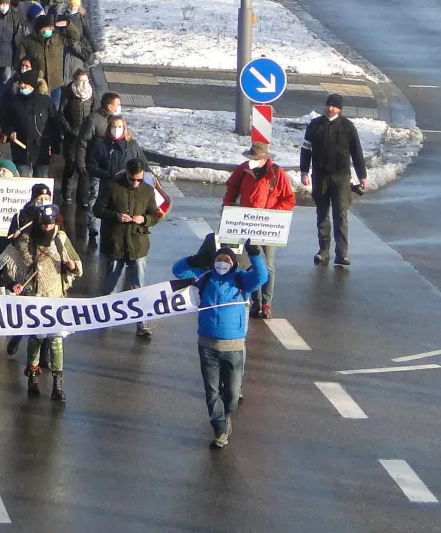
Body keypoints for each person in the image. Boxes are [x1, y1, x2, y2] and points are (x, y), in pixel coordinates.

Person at [172, 238, 268, 448]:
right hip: (207, 345)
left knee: (232, 394)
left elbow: (261, 277)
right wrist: (193, 260)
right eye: (219, 259)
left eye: (226, 260)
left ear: (233, 263)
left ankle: (227, 414)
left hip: (233, 347)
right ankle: (220, 429)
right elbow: (178, 271)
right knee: (212, 391)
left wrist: (255, 254)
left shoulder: (242, 280)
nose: (222, 263)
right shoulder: (205, 278)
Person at [0, 203, 80, 401]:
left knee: (56, 341)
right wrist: (13, 283)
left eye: (50, 225)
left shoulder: (61, 239)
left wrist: (72, 266)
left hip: (56, 298)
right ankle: (32, 377)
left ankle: (58, 382)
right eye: (43, 224)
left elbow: (77, 265)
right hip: (33, 297)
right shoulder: (25, 240)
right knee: (35, 339)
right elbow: (3, 264)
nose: (46, 228)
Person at [92, 158, 165, 337]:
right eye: (132, 179)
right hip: (115, 244)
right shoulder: (112, 186)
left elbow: (155, 215)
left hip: (137, 245)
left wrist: (145, 220)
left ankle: (142, 323)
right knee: (110, 284)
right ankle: (105, 316)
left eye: (139, 180)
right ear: (126, 173)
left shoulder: (147, 190)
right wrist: (116, 216)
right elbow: (97, 209)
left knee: (139, 286)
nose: (135, 183)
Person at [222, 143, 295, 319]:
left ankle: (267, 302)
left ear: (265, 159)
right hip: (248, 225)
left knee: (268, 265)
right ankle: (255, 301)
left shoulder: (277, 173)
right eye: (251, 158)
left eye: (257, 159)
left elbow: (289, 199)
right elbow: (231, 189)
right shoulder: (242, 170)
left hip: (268, 227)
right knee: (251, 264)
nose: (253, 161)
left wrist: (273, 214)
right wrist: (227, 207)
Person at [299, 93, 365, 267]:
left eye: (334, 106)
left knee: (340, 215)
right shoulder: (314, 125)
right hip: (320, 176)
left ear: (339, 109)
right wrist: (304, 171)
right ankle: (323, 250)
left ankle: (342, 253)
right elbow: (306, 150)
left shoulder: (348, 127)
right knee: (322, 214)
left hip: (341, 177)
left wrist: (362, 176)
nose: (330, 109)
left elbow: (357, 152)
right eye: (328, 105)